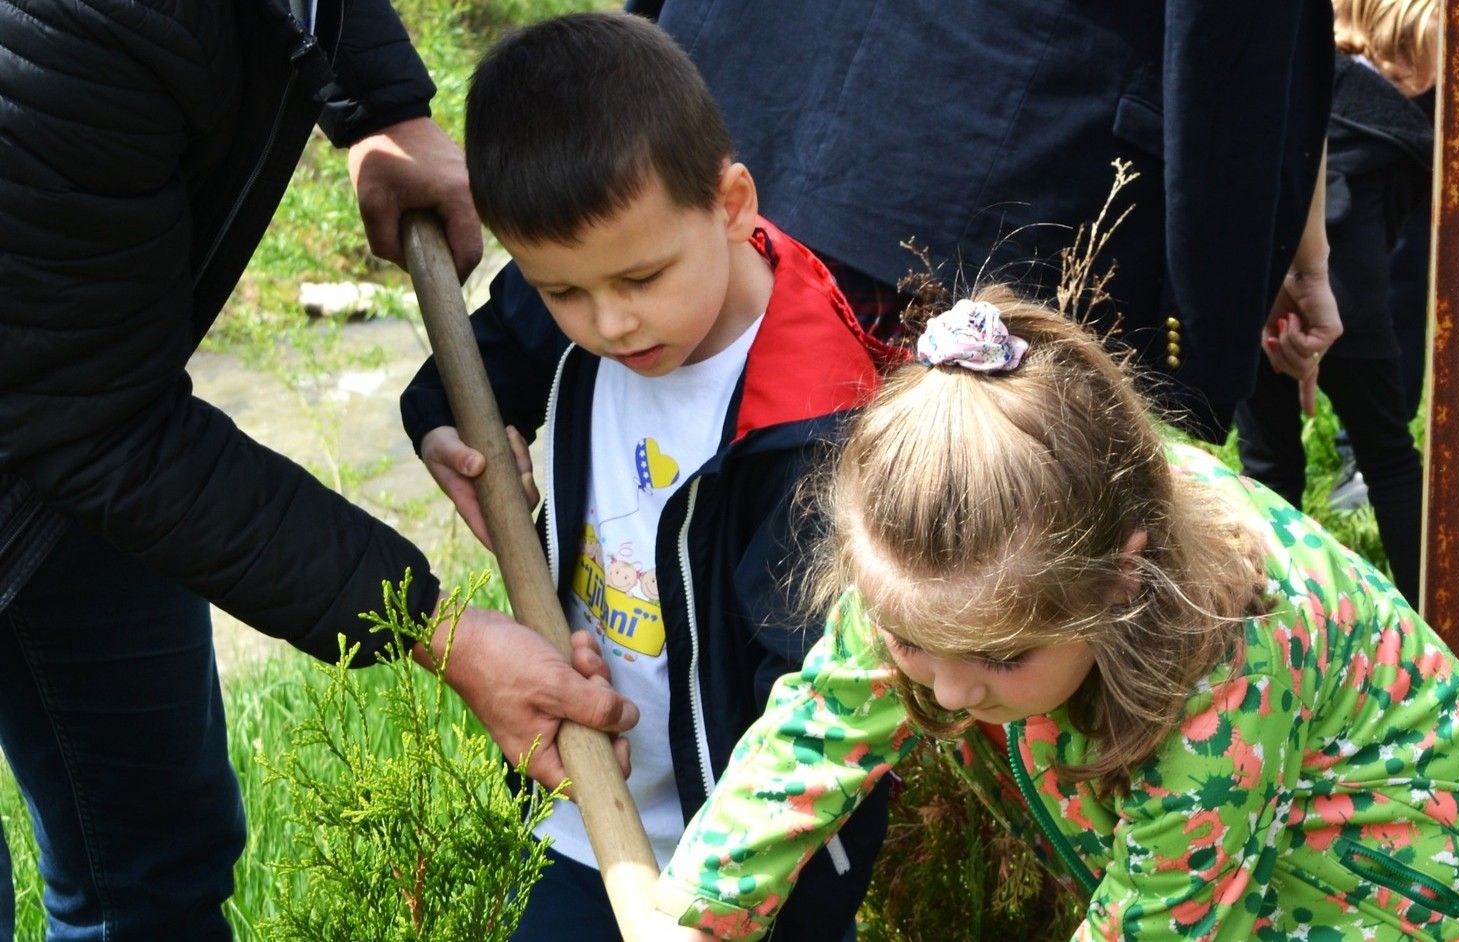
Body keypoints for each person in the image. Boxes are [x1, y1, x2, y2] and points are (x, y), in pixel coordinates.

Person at [643, 288, 1459, 941]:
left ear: (1122, 581)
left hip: (1419, 887)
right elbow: (815, 734)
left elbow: (1154, 921)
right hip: (1245, 862)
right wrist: (696, 916)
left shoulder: (1232, 663)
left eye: (1004, 658)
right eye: (911, 644)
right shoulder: (934, 553)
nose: (952, 689)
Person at [0, 2, 634, 938]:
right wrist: (436, 627)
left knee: (154, 862)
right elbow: (105, 431)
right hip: (87, 412)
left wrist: (381, 108)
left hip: (80, 382)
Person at [397, 13, 894, 941]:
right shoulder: (596, 269)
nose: (611, 323)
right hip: (591, 805)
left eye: (641, 279)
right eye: (563, 292)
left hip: (763, 861)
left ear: (734, 203)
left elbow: (821, 710)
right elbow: (488, 354)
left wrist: (721, 899)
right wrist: (444, 424)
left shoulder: (813, 426)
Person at [624, 0, 1343, 443]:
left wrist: (632, 101)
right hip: (987, 201)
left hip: (731, 104)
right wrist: (1205, 355)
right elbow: (1232, 44)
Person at [1235, 0, 1437, 604]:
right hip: (1350, 300)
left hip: (1261, 286)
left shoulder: (1295, 76)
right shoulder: (1397, 123)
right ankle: (1434, 609)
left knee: (1267, 468)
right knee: (1391, 461)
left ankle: (1266, 611)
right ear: (1406, 37)